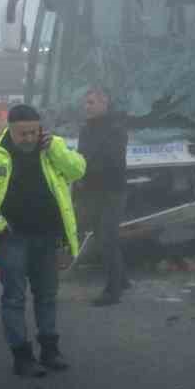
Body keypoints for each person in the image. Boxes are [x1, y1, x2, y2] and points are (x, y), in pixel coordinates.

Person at [0, 105, 84, 376]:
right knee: (14, 298)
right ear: (10, 130)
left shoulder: (53, 146)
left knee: (47, 296)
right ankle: (22, 357)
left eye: (33, 132)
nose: (29, 138)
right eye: (22, 134)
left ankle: (50, 351)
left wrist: (55, 150)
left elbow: (77, 171)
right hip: (12, 238)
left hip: (48, 236)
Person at [78, 86, 129, 306]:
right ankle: (122, 279)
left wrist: (87, 170)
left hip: (112, 191)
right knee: (102, 237)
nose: (86, 107)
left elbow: (112, 161)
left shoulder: (116, 129)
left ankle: (113, 291)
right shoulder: (86, 128)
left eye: (91, 103)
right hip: (93, 191)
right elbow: (82, 158)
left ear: (104, 103)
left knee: (108, 239)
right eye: (86, 102)